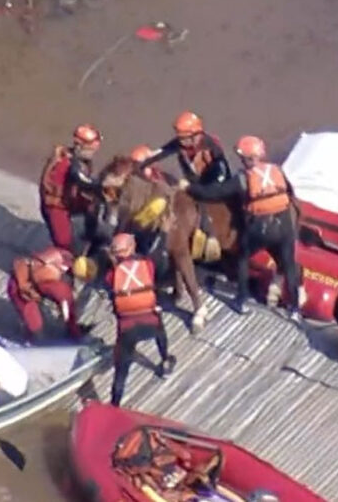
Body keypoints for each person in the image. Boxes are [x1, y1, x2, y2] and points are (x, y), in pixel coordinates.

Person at [183, 135, 300, 317]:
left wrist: (189, 188)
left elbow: (214, 193)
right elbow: (290, 192)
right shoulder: (277, 171)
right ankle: (295, 308)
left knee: (242, 257)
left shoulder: (244, 179)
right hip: (284, 224)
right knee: (289, 264)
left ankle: (242, 300)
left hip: (260, 227)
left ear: (247, 158)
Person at [138, 111, 232, 245]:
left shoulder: (212, 146)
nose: (181, 142)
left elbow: (222, 172)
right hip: (194, 182)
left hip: (214, 184)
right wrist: (140, 165)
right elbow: (160, 152)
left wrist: (203, 190)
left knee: (202, 199)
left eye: (185, 138)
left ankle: (210, 234)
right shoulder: (180, 143)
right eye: (180, 138)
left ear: (197, 135)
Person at [105, 233, 176, 407]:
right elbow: (152, 277)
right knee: (160, 329)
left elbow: (111, 288)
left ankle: (115, 404)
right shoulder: (147, 265)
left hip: (127, 327)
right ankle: (165, 359)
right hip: (150, 320)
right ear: (132, 247)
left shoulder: (111, 274)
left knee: (121, 369)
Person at [39, 124, 104, 255]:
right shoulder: (67, 164)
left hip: (69, 199)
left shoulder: (80, 160)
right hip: (56, 206)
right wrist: (102, 186)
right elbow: (82, 181)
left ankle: (90, 235)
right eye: (92, 147)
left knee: (93, 206)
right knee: (64, 243)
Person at [7, 246, 83, 341]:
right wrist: (75, 333)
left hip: (24, 276)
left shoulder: (63, 255)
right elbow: (68, 313)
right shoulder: (61, 289)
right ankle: (31, 342)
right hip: (20, 290)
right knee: (35, 326)